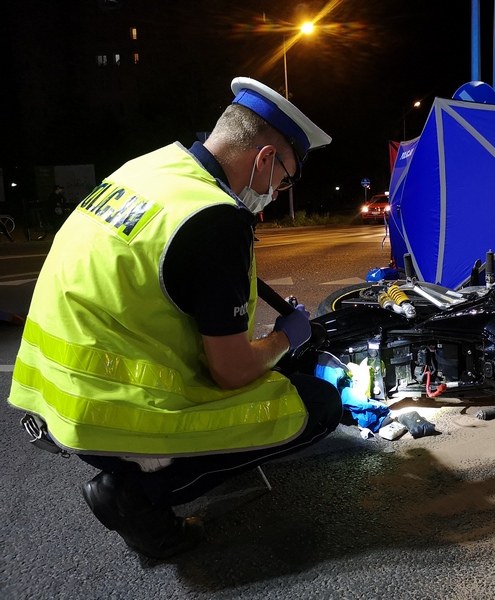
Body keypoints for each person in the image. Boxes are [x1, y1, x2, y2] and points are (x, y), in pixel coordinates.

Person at [7, 76, 343, 559]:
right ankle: (138, 493)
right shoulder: (215, 217)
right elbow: (230, 372)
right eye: (284, 179)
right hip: (114, 409)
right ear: (265, 159)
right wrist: (285, 339)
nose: (277, 191)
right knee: (317, 404)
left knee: (270, 371)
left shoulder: (147, 169)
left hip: (50, 393)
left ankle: (142, 465)